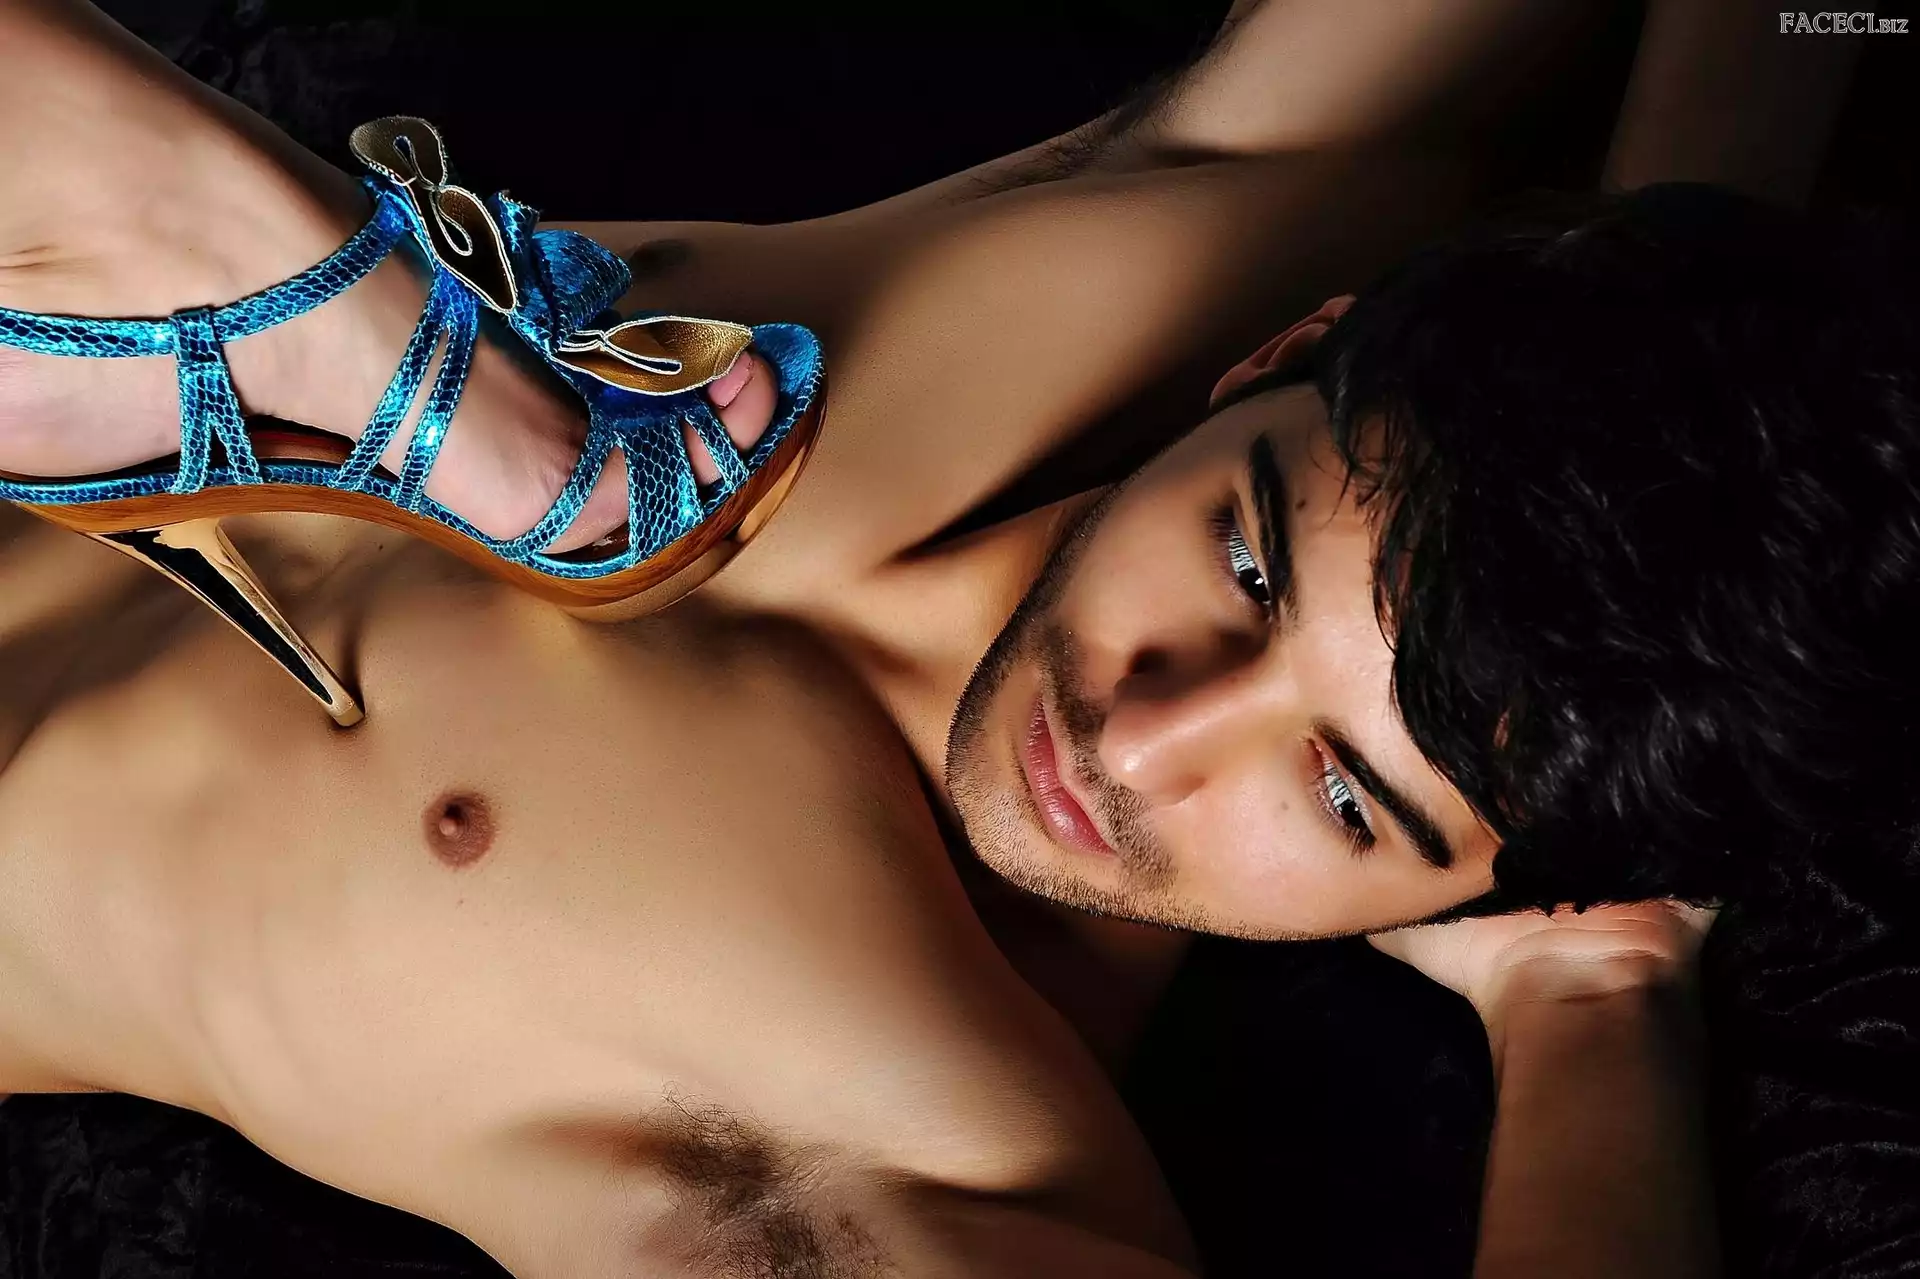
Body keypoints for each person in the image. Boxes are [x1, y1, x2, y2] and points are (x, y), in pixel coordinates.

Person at [0, 0, 1883, 1274]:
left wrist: (1595, 996)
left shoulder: (892, 1128)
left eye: (1340, 796)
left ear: (1489, 884)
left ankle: (272, 274)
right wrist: (1670, 239)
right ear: (1283, 354)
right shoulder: (1194, 242)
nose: (1140, 736)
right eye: (1243, 566)